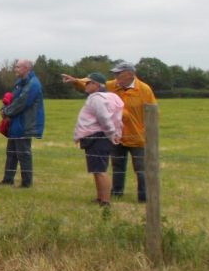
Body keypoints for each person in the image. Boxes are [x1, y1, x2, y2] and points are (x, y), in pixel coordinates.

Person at [62, 60, 157, 202]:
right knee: (117, 164)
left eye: (119, 73)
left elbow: (153, 112)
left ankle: (144, 197)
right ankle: (116, 192)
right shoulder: (112, 85)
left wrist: (147, 131)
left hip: (137, 136)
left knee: (140, 168)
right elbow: (93, 84)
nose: (116, 76)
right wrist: (76, 81)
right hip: (116, 135)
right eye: (115, 73)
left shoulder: (144, 89)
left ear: (130, 74)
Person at [72, 73, 124, 208]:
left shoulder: (96, 98)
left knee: (100, 170)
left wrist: (111, 133)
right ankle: (100, 197)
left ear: (96, 84)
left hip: (98, 136)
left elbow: (104, 117)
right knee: (96, 168)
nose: (85, 85)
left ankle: (105, 201)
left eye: (88, 83)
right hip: (99, 136)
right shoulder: (108, 96)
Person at [0, 58, 45, 187]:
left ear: (26, 68)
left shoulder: (33, 84)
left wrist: (6, 112)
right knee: (11, 153)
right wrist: (5, 107)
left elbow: (22, 102)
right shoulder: (20, 83)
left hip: (25, 124)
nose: (15, 69)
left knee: (23, 154)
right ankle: (7, 180)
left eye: (18, 67)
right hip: (16, 122)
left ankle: (26, 183)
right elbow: (13, 99)